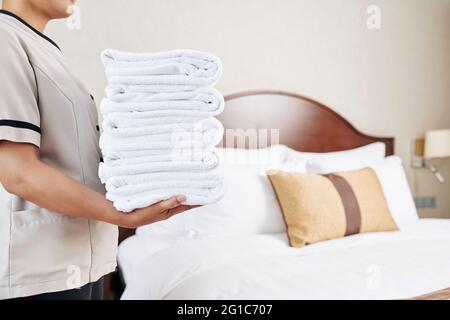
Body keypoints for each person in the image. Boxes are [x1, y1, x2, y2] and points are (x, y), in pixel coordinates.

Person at [0, 0, 194, 300]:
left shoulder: (44, 49)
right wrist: (122, 217)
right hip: (40, 270)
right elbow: (18, 173)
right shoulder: (4, 38)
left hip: (86, 262)